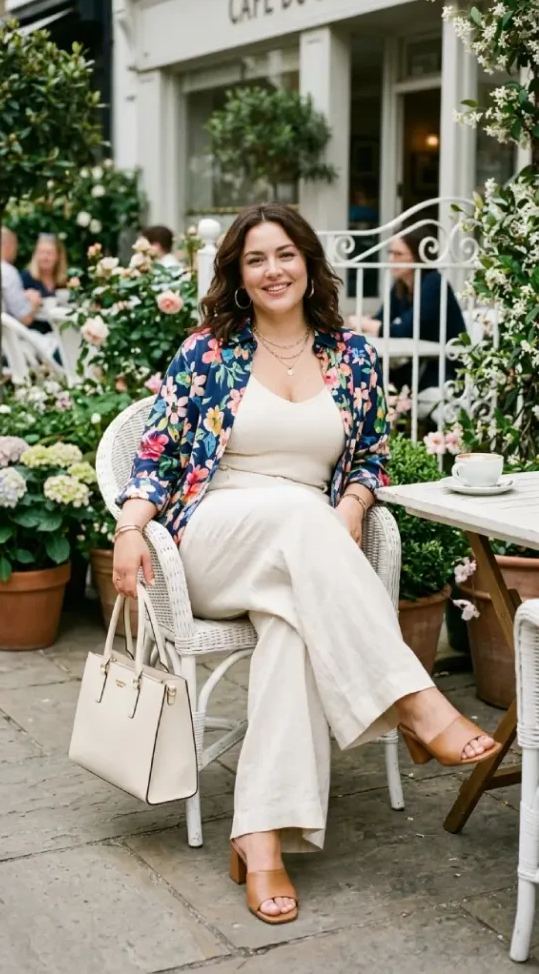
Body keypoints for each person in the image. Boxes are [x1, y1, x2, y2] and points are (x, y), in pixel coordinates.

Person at [113, 203, 499, 927]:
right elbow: (156, 453)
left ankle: (260, 843)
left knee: (292, 634)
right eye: (255, 259)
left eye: (284, 254)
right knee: (298, 515)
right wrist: (132, 525)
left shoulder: (352, 355)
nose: (272, 270)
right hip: (216, 537)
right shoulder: (208, 350)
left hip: (306, 552)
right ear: (237, 274)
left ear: (308, 262)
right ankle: (413, 703)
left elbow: (372, 458)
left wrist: (352, 507)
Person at [348, 226, 466, 390]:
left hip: (445, 369)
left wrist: (366, 324)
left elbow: (406, 329)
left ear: (418, 257)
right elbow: (382, 318)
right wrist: (368, 323)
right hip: (419, 363)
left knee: (378, 380)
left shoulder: (434, 283)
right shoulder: (401, 286)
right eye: (390, 253)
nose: (391, 260)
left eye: (398, 254)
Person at [21, 234, 68, 335]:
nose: (45, 257)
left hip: (60, 332)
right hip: (34, 334)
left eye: (49, 253)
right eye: (41, 253)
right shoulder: (27, 278)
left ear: (58, 257)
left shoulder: (63, 281)